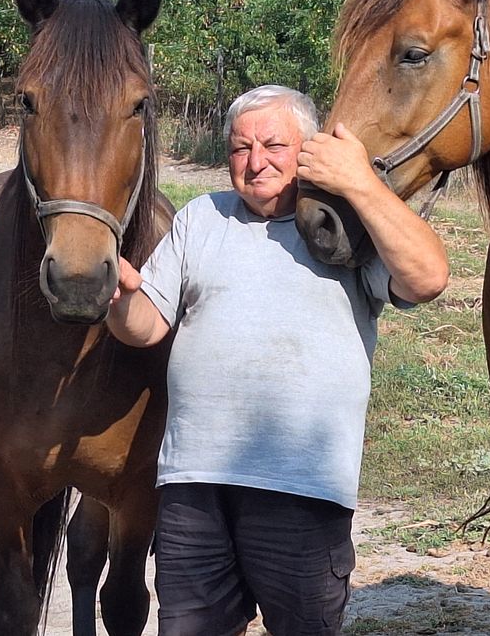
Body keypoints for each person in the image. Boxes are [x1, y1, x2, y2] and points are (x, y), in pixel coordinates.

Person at [107, 84, 448, 636]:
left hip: (302, 487)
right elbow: (147, 325)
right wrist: (120, 297)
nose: (255, 161)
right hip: (195, 485)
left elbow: (428, 277)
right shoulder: (202, 217)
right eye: (241, 148)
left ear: (308, 150)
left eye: (273, 145)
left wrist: (361, 183)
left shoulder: (342, 228)